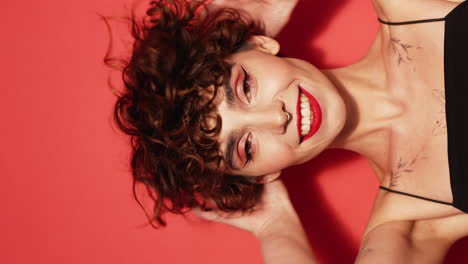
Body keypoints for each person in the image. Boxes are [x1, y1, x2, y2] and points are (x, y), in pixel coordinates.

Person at [108, 0, 468, 262]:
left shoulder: (413, 7)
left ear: (260, 46)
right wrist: (276, 229)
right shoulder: (409, 223)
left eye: (245, 87)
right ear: (264, 175)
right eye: (246, 148)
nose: (276, 119)